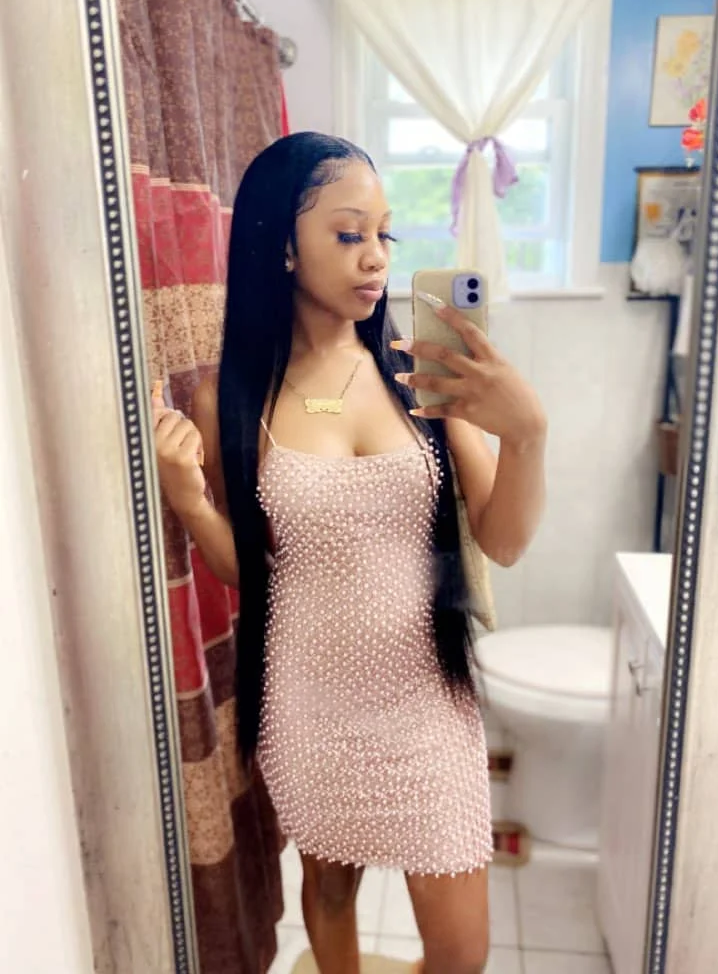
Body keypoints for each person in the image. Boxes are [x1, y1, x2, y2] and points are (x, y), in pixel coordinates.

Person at [152, 132, 546, 974]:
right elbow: (249, 571)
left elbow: (505, 541)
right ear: (281, 247)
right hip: (307, 706)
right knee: (328, 895)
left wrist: (526, 435)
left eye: (382, 234)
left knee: (461, 955)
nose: (375, 257)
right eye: (347, 233)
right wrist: (188, 501)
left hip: (425, 705)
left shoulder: (422, 375)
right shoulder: (230, 398)